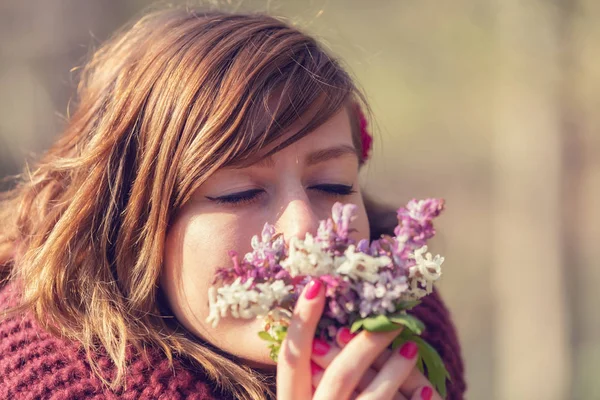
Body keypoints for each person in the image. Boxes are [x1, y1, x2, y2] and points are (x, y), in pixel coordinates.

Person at [0, 8, 466, 400]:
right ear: (126, 219)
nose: (303, 230)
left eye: (333, 185)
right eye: (239, 193)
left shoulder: (413, 343)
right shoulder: (42, 384)